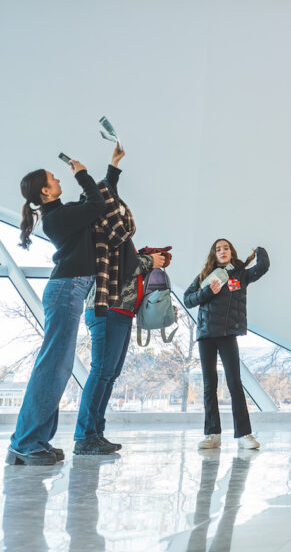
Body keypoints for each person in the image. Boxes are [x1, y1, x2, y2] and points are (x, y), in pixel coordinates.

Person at [7, 156, 106, 466]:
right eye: (54, 178)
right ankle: (26, 443)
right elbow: (96, 205)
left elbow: (94, 200)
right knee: (53, 368)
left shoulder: (61, 214)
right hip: (66, 291)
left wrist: (111, 169)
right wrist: (82, 173)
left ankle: (32, 441)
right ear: (45, 192)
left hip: (68, 291)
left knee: (56, 368)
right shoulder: (57, 218)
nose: (59, 180)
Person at [73, 142, 166, 456]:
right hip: (106, 307)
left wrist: (114, 165)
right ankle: (85, 436)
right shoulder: (105, 229)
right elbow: (126, 267)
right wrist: (150, 263)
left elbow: (107, 191)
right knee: (101, 371)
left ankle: (94, 433)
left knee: (109, 374)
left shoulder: (113, 229)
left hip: (119, 310)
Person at [184, 237, 270, 451]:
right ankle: (212, 434)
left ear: (232, 252)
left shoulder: (240, 275)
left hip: (227, 334)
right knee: (209, 385)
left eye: (226, 248)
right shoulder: (204, 275)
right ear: (214, 254)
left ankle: (244, 434)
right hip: (206, 335)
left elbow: (263, 267)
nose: (222, 251)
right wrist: (207, 292)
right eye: (218, 249)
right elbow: (187, 299)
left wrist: (259, 249)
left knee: (234, 383)